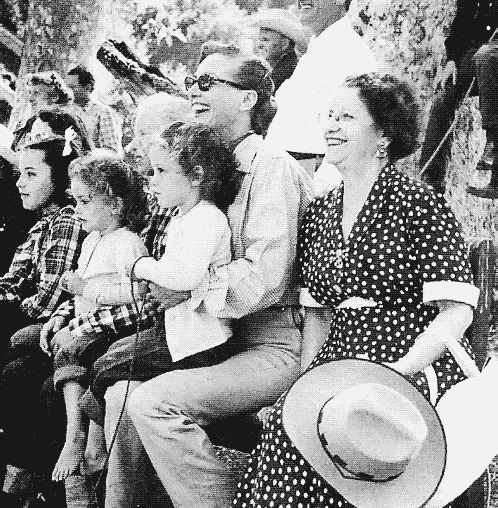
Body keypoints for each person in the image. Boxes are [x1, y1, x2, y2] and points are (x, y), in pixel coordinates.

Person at [232, 72, 479, 508]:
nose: (330, 126)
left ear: (383, 133)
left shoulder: (418, 202)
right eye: (328, 116)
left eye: (345, 117)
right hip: (336, 360)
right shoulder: (321, 211)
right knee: (290, 440)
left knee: (375, 450)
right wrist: (306, 386)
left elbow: (456, 311)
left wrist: (403, 368)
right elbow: (318, 314)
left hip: (411, 355)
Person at [90, 46, 312, 508]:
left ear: (249, 99)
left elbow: (266, 278)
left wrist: (187, 285)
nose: (194, 88)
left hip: (270, 341)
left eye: (208, 82)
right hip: (217, 335)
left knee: (152, 403)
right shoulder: (208, 168)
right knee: (119, 397)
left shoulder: (271, 166)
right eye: (193, 79)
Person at [36, 152, 148, 482]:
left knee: (71, 352)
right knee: (54, 345)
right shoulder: (91, 240)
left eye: (86, 201)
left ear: (115, 204)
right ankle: (81, 452)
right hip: (87, 324)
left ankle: (77, 438)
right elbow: (82, 294)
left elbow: (136, 295)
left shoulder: (127, 244)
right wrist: (65, 314)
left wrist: (86, 293)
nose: (78, 209)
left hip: (114, 332)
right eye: (76, 200)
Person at [0, 109, 90, 506]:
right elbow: (15, 282)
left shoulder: (66, 220)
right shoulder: (41, 223)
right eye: (20, 173)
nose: (20, 182)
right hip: (26, 321)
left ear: (60, 180)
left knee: (18, 373)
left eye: (32, 174)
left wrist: (9, 302)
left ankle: (21, 480)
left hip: (47, 328)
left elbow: (49, 297)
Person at [264, 0, 377, 176]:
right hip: (286, 167)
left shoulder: (350, 51)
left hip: (309, 170)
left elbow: (359, 125)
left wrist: (326, 182)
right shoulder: (320, 47)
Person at [420, 0, 498, 198]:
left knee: (486, 57)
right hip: (475, 55)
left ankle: (494, 152)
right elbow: (462, 22)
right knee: (443, 99)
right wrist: (452, 59)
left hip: (493, 54)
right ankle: (431, 182)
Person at [66, 66, 123, 154]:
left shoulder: (103, 112)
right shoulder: (66, 112)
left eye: (72, 87)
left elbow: (111, 151)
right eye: (67, 87)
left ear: (87, 87)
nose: (68, 92)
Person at [250, 8, 308, 92]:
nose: (260, 45)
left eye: (265, 40)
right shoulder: (282, 66)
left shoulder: (288, 71)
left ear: (284, 44)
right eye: (260, 39)